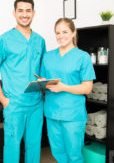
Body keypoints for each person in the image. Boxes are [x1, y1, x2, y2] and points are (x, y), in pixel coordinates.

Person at [0, 0, 46, 163]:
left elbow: (40, 70)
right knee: (12, 147)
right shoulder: (4, 40)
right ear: (14, 13)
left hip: (36, 104)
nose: (24, 14)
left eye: (28, 10)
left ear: (34, 13)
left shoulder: (40, 41)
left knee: (34, 146)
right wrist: (2, 98)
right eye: (20, 10)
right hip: (14, 104)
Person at [40, 18, 96, 163]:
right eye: (57, 33)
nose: (61, 36)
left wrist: (63, 87)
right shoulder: (48, 56)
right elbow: (44, 80)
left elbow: (87, 88)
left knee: (74, 155)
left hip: (73, 114)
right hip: (52, 112)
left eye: (64, 32)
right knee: (58, 152)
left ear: (73, 33)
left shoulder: (82, 57)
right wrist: (41, 83)